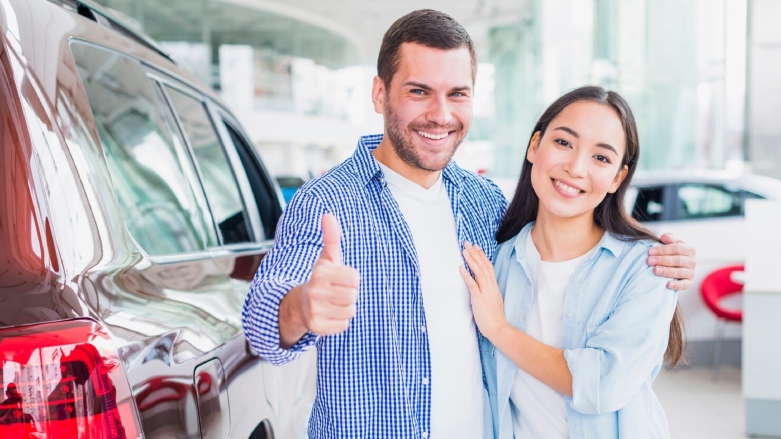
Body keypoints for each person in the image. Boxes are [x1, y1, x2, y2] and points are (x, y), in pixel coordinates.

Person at [242, 10, 696, 439]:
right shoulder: (326, 203)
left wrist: (661, 254)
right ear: (380, 93)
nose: (441, 114)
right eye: (419, 91)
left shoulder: (483, 201)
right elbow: (262, 328)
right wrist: (300, 308)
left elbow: (571, 221)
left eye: (457, 93)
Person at [460, 86, 683, 438]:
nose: (575, 167)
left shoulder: (648, 268)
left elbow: (602, 384)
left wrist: (500, 330)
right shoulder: (496, 259)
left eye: (601, 158)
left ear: (617, 179)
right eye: (564, 143)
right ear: (535, 146)